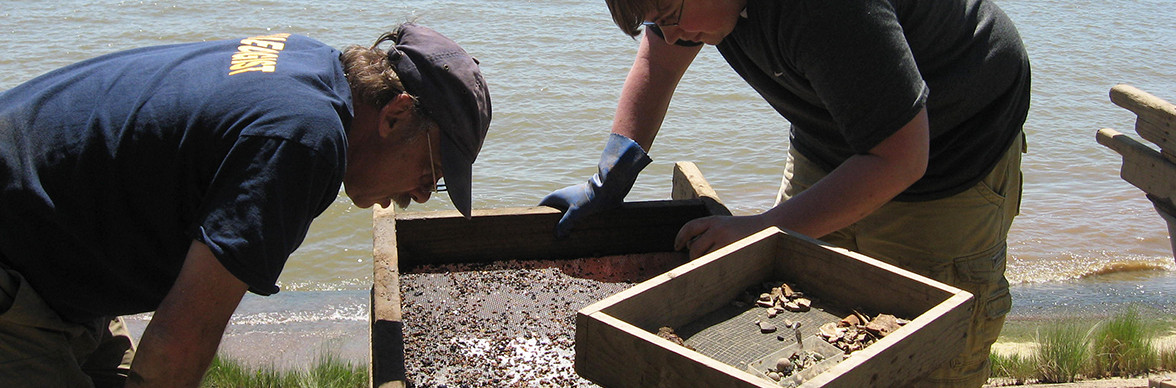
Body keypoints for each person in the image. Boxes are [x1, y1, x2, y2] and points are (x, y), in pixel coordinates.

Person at [540, 0, 1029, 386]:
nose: (669, 35)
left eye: (669, 17)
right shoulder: (696, 13)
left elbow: (901, 158)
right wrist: (611, 174)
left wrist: (760, 229)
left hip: (950, 154)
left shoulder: (827, 8)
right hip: (834, 137)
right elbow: (660, 61)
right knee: (798, 328)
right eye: (655, 21)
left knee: (926, 353)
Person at [0, 23, 490, 387]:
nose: (422, 195)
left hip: (62, 242)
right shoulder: (303, 140)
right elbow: (182, 336)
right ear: (397, 114)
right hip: (19, 257)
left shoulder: (308, 61)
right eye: (433, 169)